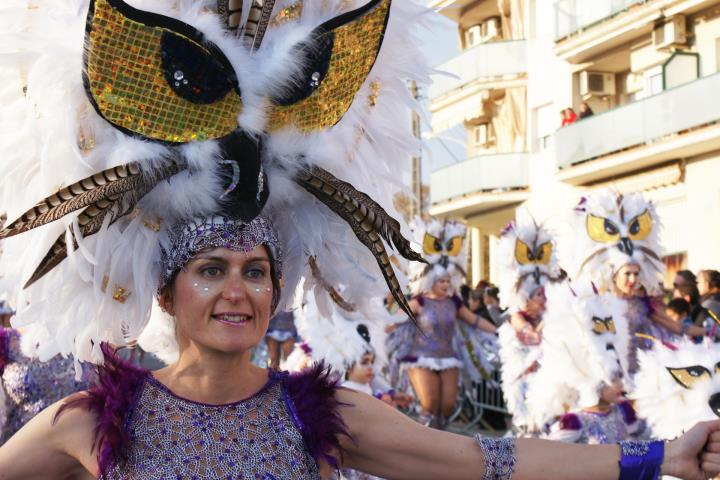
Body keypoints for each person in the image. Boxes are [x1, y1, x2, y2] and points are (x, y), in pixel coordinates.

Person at [1, 0, 720, 478]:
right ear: (165, 289)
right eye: (211, 269)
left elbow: (482, 460)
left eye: (256, 271)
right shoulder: (93, 420)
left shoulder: (321, 414)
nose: (237, 291)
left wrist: (660, 458)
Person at [400, 218, 498, 429]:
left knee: (446, 406)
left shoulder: (454, 301)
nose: (446, 284)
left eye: (448, 280)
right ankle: (423, 447)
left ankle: (439, 447)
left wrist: (500, 331)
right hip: (420, 357)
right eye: (441, 281)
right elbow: (398, 318)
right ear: (429, 280)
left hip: (448, 358)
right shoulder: (419, 301)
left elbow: (475, 321)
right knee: (430, 403)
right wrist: (381, 326)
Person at [496, 217, 564, 434]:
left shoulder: (549, 315)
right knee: (528, 431)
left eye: (546, 294)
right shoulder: (516, 316)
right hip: (523, 384)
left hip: (547, 383)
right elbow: (533, 338)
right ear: (526, 297)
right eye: (539, 295)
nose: (544, 299)